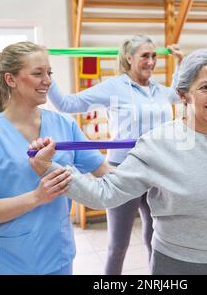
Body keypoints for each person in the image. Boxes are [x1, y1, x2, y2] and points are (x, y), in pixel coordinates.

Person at [29, 48, 207, 275]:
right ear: (183, 95)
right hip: (179, 265)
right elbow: (103, 193)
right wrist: (49, 168)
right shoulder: (159, 143)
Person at [0, 41, 109, 275]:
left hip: (58, 256)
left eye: (49, 73)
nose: (47, 80)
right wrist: (38, 196)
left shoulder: (64, 125)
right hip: (9, 262)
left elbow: (104, 171)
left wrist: (152, 173)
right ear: (11, 79)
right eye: (38, 74)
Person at [47, 34, 184, 274]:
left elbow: (179, 93)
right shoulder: (115, 87)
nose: (151, 62)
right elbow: (67, 105)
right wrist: (47, 75)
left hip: (158, 172)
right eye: (145, 56)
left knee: (157, 242)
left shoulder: (159, 90)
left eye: (154, 56)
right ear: (129, 58)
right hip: (121, 172)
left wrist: (180, 62)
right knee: (118, 246)